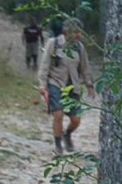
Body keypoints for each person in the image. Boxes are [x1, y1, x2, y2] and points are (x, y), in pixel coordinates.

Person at [38, 16, 93, 154]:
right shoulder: (54, 43)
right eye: (76, 32)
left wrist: (89, 85)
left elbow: (85, 67)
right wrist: (42, 84)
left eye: (80, 32)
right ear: (67, 31)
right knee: (58, 114)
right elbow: (45, 65)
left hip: (73, 86)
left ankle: (67, 134)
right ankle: (58, 145)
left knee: (76, 119)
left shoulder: (79, 47)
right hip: (56, 83)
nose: (79, 35)